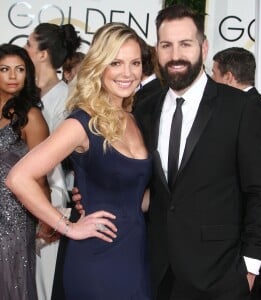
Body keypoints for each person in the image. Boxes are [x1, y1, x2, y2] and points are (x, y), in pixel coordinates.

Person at [132, 5, 261, 300]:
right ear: (157, 51)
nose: (175, 55)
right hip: (158, 272)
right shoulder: (145, 108)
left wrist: (250, 268)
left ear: (204, 46)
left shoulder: (241, 109)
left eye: (185, 44)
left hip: (221, 276)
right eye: (166, 45)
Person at [6, 22, 152, 300]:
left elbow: (139, 196)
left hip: (136, 255)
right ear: (99, 66)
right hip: (96, 257)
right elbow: (19, 178)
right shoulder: (81, 123)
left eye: (134, 63)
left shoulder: (136, 119)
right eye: (116, 63)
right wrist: (66, 225)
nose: (128, 73)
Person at [211, 46, 261, 300]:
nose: (211, 81)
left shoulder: (254, 110)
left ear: (229, 77)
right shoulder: (254, 107)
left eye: (214, 73)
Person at [25, 22, 81, 300]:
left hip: (54, 209)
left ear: (42, 54)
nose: (25, 52)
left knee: (46, 287)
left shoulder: (67, 99)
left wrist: (51, 213)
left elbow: (64, 164)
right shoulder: (28, 97)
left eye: (28, 45)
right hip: (26, 204)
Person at [0, 43, 49, 300]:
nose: (12, 76)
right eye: (5, 69)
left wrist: (47, 218)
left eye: (19, 69)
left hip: (14, 218)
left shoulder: (31, 117)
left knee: (11, 281)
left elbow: (41, 176)